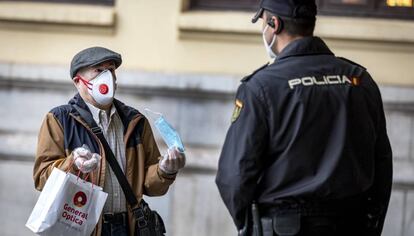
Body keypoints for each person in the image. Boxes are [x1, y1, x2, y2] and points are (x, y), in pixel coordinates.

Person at [215, 1, 393, 235]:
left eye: (263, 23)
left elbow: (234, 177)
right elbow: (382, 164)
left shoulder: (261, 87)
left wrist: (251, 226)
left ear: (274, 24)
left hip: (285, 227)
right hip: (352, 224)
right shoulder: (359, 80)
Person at [33, 46, 186, 236]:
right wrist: (72, 164)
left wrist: (165, 170)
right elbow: (41, 179)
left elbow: (148, 185)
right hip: (86, 228)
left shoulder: (135, 122)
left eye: (111, 70)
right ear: (77, 82)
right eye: (98, 70)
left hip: (128, 227)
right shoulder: (59, 120)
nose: (107, 77)